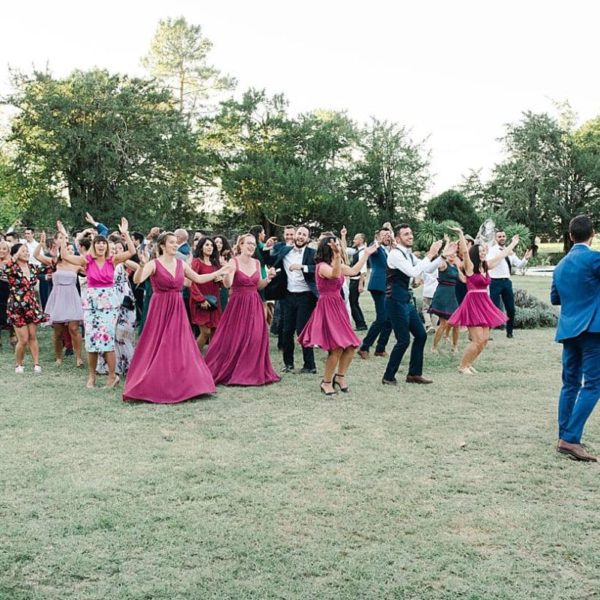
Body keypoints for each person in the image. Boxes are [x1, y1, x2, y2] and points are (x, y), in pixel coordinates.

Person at [123, 232, 227, 403]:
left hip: (177, 308)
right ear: (162, 246)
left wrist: (221, 270)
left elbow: (198, 278)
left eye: (175, 242)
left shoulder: (181, 264)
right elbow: (138, 278)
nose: (175, 244)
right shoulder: (154, 263)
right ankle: (155, 382)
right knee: (159, 343)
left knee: (178, 343)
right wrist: (142, 265)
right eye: (171, 242)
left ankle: (183, 382)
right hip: (160, 308)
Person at [60, 218, 136, 388]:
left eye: (103, 243)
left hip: (109, 305)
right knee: (92, 341)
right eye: (98, 243)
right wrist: (64, 237)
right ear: (94, 246)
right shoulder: (86, 261)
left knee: (107, 340)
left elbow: (131, 251)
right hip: (92, 304)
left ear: (107, 246)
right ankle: (92, 376)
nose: (101, 246)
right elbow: (64, 256)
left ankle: (111, 376)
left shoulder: (112, 260)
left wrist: (125, 234)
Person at [299, 236, 377, 395]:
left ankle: (340, 377)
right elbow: (334, 275)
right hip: (327, 306)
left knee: (351, 346)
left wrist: (366, 254)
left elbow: (354, 271)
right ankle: (326, 382)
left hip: (338, 305)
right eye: (335, 245)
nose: (339, 247)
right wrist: (336, 256)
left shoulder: (338, 264)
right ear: (328, 248)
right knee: (336, 348)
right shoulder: (321, 266)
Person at [551, 215, 600, 461]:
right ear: (592, 234)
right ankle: (570, 439)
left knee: (570, 384)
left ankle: (564, 435)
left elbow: (555, 298)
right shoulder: (595, 258)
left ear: (570, 236)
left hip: (569, 330)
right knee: (593, 385)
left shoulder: (560, 266)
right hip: (593, 330)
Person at [205, 234, 280, 386]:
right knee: (235, 338)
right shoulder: (234, 261)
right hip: (238, 305)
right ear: (240, 245)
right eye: (248, 243)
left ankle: (251, 370)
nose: (252, 246)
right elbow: (227, 284)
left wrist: (269, 279)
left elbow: (258, 285)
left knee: (255, 337)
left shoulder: (257, 263)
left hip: (254, 303)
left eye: (253, 244)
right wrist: (226, 275)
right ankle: (233, 370)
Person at [448, 227, 520, 374]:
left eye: (483, 251)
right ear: (476, 253)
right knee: (477, 340)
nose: (483, 252)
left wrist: (513, 243)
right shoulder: (470, 267)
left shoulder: (486, 266)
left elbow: (502, 255)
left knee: (485, 339)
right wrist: (461, 234)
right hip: (473, 303)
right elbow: (465, 253)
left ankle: (468, 363)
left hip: (484, 303)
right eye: (480, 251)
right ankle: (462, 366)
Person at [382, 225, 443, 386]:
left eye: (410, 233)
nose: (410, 236)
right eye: (406, 234)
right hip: (395, 301)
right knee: (403, 340)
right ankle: (388, 376)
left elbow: (428, 268)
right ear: (398, 237)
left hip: (406, 301)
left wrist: (443, 256)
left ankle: (414, 374)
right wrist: (430, 254)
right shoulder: (395, 254)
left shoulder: (408, 254)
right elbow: (413, 272)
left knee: (421, 335)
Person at [265, 226, 318, 374]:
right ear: (295, 236)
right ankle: (288, 364)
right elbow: (271, 260)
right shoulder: (285, 251)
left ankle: (310, 365)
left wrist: (303, 267)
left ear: (307, 239)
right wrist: (266, 248)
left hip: (306, 297)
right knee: (287, 330)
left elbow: (319, 268)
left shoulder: (312, 253)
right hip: (288, 296)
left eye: (304, 235)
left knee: (302, 331)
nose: (301, 236)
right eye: (299, 233)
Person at [33, 231, 85, 368]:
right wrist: (41, 243)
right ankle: (58, 357)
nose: (66, 251)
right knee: (58, 331)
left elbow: (90, 270)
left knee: (74, 329)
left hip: (72, 297)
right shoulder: (54, 262)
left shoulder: (76, 265)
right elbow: (36, 255)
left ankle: (79, 357)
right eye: (64, 248)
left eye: (68, 248)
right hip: (58, 297)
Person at [5, 242, 49, 373]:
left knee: (32, 336)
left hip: (32, 305)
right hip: (16, 306)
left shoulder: (33, 267)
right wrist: (15, 255)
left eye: (26, 251)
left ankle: (36, 364)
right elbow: (6, 268)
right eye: (23, 251)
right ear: (16, 254)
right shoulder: (12, 268)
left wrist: (42, 244)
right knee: (23, 339)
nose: (26, 253)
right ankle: (18, 364)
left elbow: (48, 265)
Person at [487, 229, 532, 338]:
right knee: (493, 308)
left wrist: (525, 258)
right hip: (495, 282)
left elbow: (519, 265)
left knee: (511, 308)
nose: (502, 238)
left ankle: (509, 332)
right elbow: (489, 263)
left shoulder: (510, 252)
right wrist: (509, 249)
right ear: (495, 238)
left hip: (507, 282)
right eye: (499, 236)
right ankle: (487, 333)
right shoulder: (492, 250)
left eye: (503, 236)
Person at [358, 227, 393, 359]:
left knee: (389, 319)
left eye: (388, 235)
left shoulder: (387, 250)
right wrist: (379, 240)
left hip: (388, 286)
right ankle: (364, 347)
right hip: (378, 286)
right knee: (382, 318)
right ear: (377, 237)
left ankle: (380, 348)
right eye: (384, 235)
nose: (387, 237)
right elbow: (373, 247)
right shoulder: (375, 247)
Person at [190, 237, 223, 352]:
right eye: (207, 245)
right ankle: (193, 357)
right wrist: (200, 299)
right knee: (205, 332)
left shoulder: (215, 264)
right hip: (200, 301)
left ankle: (212, 361)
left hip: (214, 301)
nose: (210, 247)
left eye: (211, 245)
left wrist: (220, 280)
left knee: (215, 330)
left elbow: (221, 284)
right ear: (201, 247)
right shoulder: (196, 262)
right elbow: (192, 282)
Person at [430, 241, 462, 353]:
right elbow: (439, 263)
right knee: (443, 323)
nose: (453, 255)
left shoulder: (455, 266)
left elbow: (463, 279)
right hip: (442, 294)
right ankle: (434, 347)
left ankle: (455, 346)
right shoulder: (443, 264)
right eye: (451, 253)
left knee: (456, 323)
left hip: (452, 295)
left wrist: (458, 265)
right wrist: (446, 249)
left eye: (455, 253)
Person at [345, 232, 368, 331]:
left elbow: (363, 269)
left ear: (361, 240)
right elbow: (344, 248)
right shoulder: (356, 251)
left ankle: (361, 324)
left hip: (357, 280)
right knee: (354, 302)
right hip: (354, 280)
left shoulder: (363, 252)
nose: (354, 241)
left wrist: (360, 284)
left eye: (355, 239)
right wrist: (343, 236)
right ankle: (361, 323)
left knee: (352, 302)